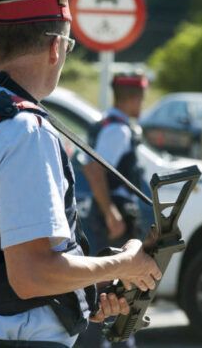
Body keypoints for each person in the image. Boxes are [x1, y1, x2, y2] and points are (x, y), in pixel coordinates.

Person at [0, 0, 161, 348]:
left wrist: (82, 296)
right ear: (55, 47)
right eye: (69, 46)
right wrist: (127, 264)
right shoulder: (23, 131)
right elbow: (31, 276)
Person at [76, 73, 149, 348]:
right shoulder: (117, 129)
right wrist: (110, 213)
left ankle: (114, 342)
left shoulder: (109, 123)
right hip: (115, 214)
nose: (142, 104)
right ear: (132, 98)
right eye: (141, 98)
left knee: (113, 286)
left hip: (113, 212)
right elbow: (94, 168)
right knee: (112, 288)